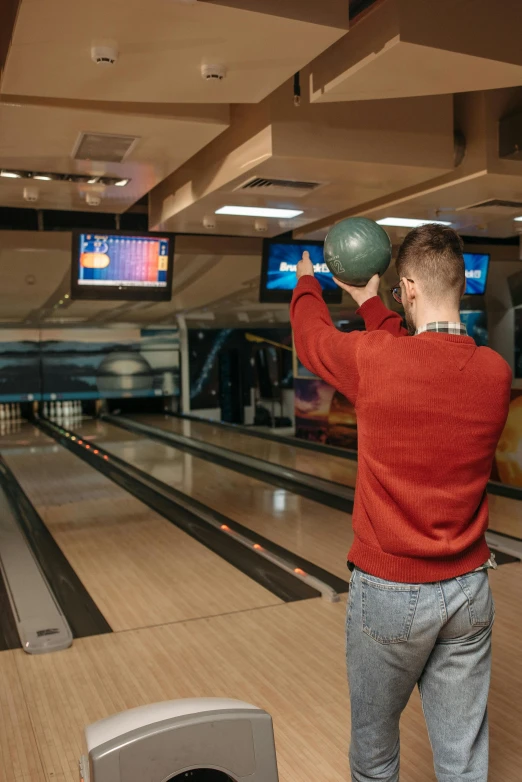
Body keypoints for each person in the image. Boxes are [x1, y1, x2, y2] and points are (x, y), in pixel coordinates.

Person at [290, 224, 511, 782]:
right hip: (469, 592)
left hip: (389, 593)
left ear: (406, 288)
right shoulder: (494, 375)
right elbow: (420, 357)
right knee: (463, 759)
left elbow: (312, 338)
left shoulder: (375, 362)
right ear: (461, 284)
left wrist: (308, 285)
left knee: (375, 754)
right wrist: (370, 303)